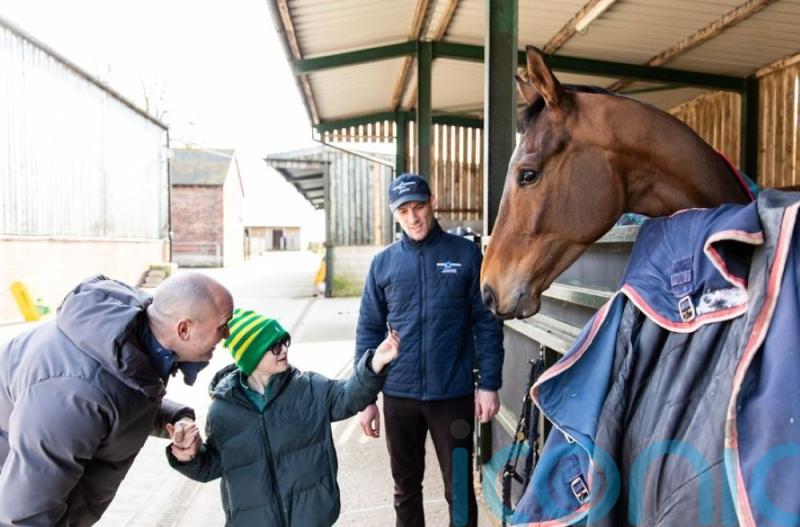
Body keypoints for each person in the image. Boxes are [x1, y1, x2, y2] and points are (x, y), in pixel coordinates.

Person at [0, 272, 233, 526]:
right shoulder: (75, 395)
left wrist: (176, 417)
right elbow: (26, 515)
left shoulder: (136, 341)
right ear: (184, 328)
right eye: (222, 326)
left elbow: (121, 398)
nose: (227, 334)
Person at [356, 173, 505, 527]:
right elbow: (368, 331)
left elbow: (486, 323)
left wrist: (489, 383)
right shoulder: (383, 264)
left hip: (451, 395)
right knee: (405, 488)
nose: (413, 217)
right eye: (403, 210)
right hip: (398, 397)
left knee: (459, 489)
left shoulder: (466, 255)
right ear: (396, 214)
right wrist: (364, 397)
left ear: (433, 202)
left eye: (419, 206)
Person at [165, 308, 399, 526]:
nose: (284, 349)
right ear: (251, 356)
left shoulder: (309, 388)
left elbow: (349, 397)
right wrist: (190, 456)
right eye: (274, 346)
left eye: (284, 342)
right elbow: (214, 466)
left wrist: (375, 363)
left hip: (311, 517)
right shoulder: (222, 412)